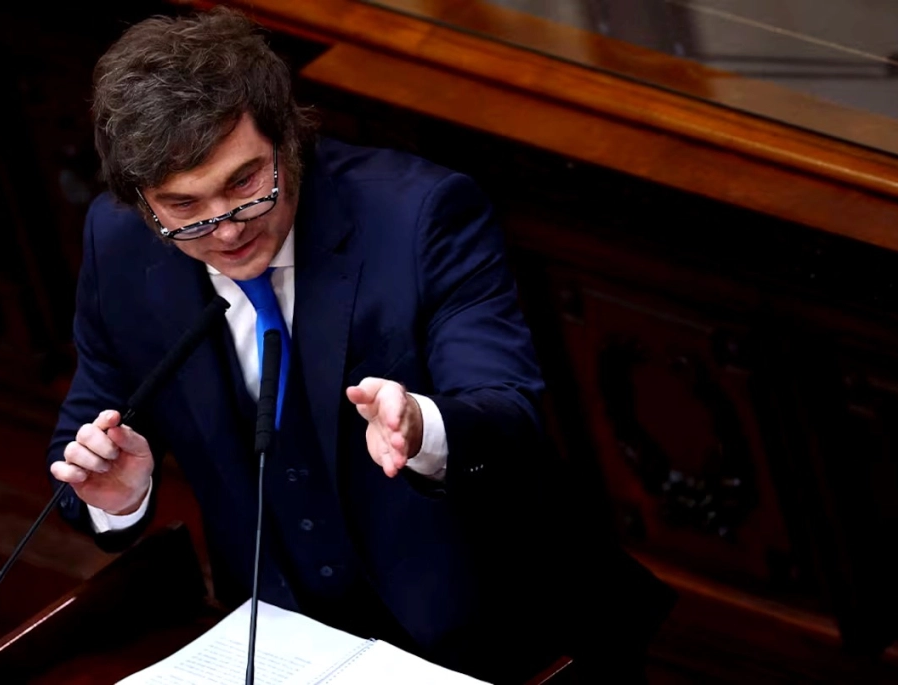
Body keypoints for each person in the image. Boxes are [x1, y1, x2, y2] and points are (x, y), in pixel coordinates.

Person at [47, 7, 674, 683]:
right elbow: (82, 444)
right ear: (143, 203)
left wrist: (424, 426)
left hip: (491, 633)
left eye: (244, 183)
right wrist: (115, 495)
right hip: (281, 642)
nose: (224, 228)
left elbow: (509, 412)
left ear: (288, 138)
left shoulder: (420, 215)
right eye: (184, 207)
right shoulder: (119, 245)